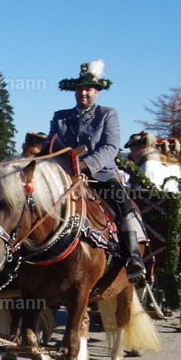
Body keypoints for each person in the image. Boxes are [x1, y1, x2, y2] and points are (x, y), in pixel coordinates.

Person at [47, 60, 146, 281]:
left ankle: (132, 257)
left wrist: (85, 165)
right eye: (80, 89)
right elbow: (50, 146)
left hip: (100, 176)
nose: (83, 93)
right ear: (74, 91)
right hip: (65, 176)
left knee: (123, 203)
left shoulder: (108, 114)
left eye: (88, 89)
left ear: (97, 92)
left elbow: (110, 147)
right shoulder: (60, 116)